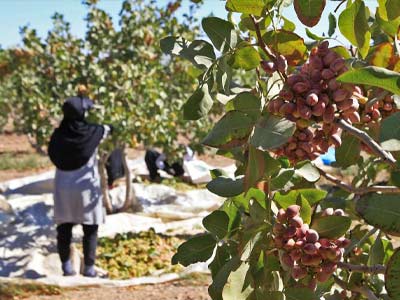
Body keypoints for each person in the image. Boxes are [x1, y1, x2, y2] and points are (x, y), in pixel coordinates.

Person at [48, 96, 112, 277]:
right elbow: (110, 129)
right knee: (90, 228)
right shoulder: (95, 131)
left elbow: (51, 153)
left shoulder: (58, 135)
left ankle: (67, 267)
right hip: (86, 186)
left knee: (64, 227)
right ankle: (89, 268)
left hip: (63, 186)